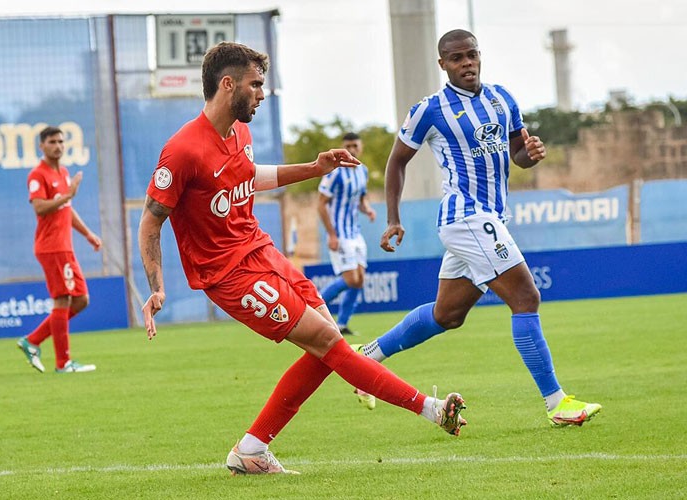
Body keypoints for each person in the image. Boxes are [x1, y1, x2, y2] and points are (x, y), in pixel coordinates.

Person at [138, 41, 467, 476]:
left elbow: (249, 177)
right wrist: (157, 285)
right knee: (329, 343)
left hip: (260, 250)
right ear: (228, 83)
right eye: (256, 85)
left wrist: (313, 167)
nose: (261, 93)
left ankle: (252, 448)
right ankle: (429, 408)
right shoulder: (182, 151)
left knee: (325, 339)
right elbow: (150, 219)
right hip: (227, 274)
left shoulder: (240, 131)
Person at [355, 29, 601, 426]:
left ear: (479, 56)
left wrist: (531, 154)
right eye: (456, 58)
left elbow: (518, 153)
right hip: (467, 217)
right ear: (443, 65)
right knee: (526, 296)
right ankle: (557, 403)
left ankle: (368, 357)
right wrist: (393, 218)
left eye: (471, 55)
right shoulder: (430, 110)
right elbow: (397, 161)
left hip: (490, 218)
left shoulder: (503, 98)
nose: (466, 63)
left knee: (447, 315)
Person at [17, 126, 102, 374]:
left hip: (64, 247)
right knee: (63, 299)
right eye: (52, 141)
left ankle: (32, 340)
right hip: (51, 247)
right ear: (41, 146)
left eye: (61, 141)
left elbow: (67, 209)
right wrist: (67, 195)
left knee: (81, 299)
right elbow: (41, 208)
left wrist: (88, 234)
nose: (58, 146)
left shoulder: (63, 172)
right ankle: (63, 363)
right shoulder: (37, 175)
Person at [317, 132, 376, 337]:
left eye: (355, 145)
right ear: (343, 147)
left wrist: (367, 209)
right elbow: (321, 204)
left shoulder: (363, 171)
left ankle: (341, 324)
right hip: (340, 233)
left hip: (355, 232)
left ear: (360, 147)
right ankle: (314, 305)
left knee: (359, 280)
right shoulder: (335, 173)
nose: (352, 149)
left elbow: (361, 198)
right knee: (351, 279)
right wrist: (331, 234)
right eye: (348, 146)